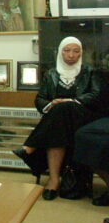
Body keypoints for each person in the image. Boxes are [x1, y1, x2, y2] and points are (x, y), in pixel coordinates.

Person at [14, 37, 103, 200]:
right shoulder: (51, 73)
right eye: (67, 51)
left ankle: (30, 147)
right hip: (58, 122)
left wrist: (73, 101)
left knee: (63, 107)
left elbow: (96, 95)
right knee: (58, 122)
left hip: (83, 117)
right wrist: (50, 104)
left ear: (81, 54)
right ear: (60, 52)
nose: (71, 55)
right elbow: (40, 99)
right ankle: (54, 179)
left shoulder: (89, 71)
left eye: (76, 51)